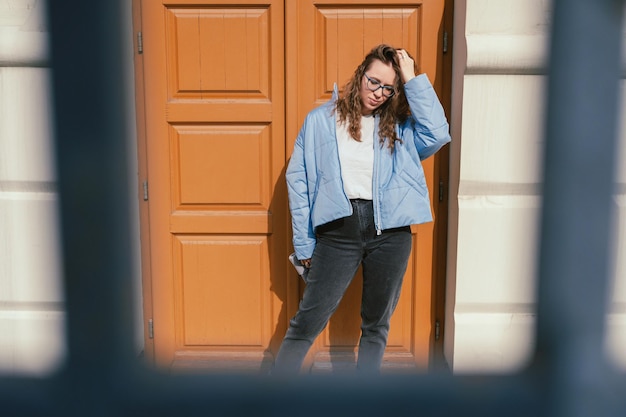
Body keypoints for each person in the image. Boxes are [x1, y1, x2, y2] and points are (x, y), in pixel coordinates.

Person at [274, 44, 451, 375]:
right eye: (374, 82)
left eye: (388, 87)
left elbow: (438, 134)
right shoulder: (320, 122)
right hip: (337, 232)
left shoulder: (400, 128)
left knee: (376, 324)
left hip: (391, 234)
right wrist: (304, 243)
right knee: (308, 319)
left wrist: (411, 76)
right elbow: (298, 184)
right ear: (360, 76)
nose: (379, 93)